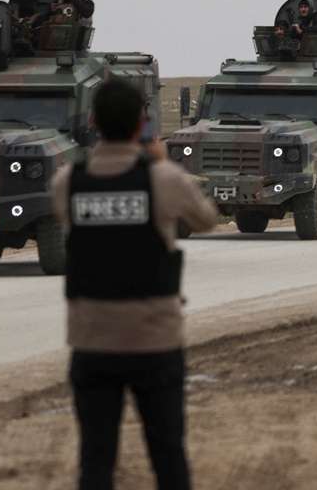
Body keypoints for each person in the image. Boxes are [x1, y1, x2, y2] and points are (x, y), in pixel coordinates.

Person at [52, 79, 218, 490]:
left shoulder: (67, 182)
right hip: (153, 339)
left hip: (92, 339)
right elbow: (206, 220)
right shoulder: (164, 180)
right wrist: (160, 162)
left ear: (93, 121)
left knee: (96, 457)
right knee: (167, 452)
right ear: (142, 124)